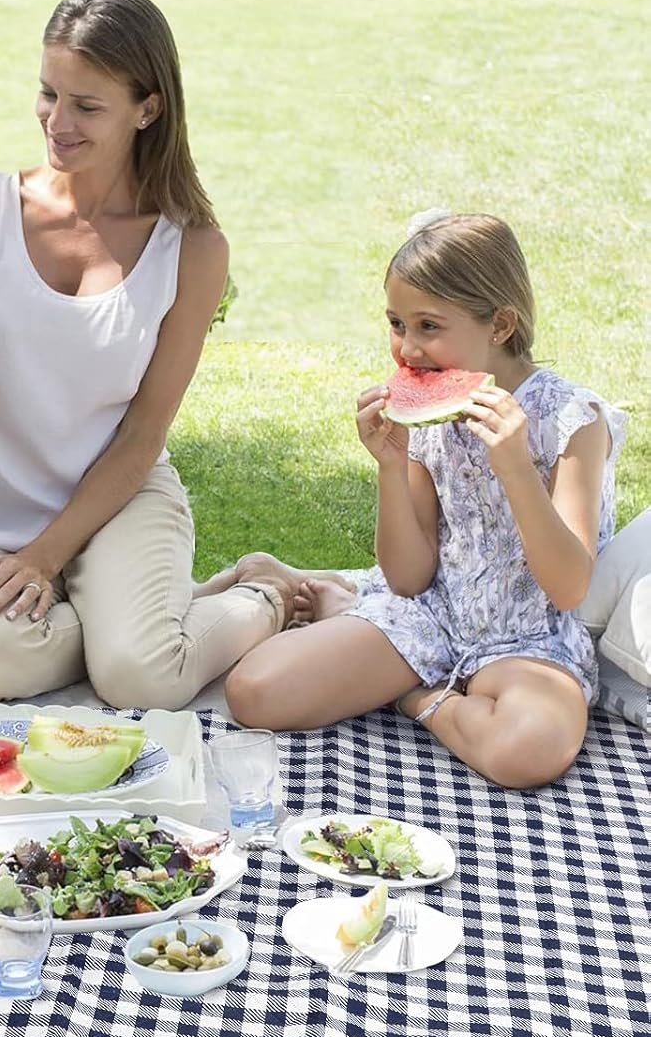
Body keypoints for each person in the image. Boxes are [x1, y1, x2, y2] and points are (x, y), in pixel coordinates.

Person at [0, 0, 326, 710]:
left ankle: (260, 593)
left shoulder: (192, 250)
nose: (57, 121)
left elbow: (143, 435)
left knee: (142, 680)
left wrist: (47, 558)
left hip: (120, 501)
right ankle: (147, 619)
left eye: (86, 105)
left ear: (148, 108)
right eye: (48, 94)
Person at [224, 213, 627, 788]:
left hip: (532, 638)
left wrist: (515, 467)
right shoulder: (430, 419)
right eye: (396, 324)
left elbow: (568, 587)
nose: (407, 348)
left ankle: (416, 695)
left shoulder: (573, 420)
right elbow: (410, 577)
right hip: (431, 615)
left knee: (527, 750)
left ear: (500, 325)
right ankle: (411, 664)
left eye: (429, 326)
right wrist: (391, 466)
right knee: (253, 692)